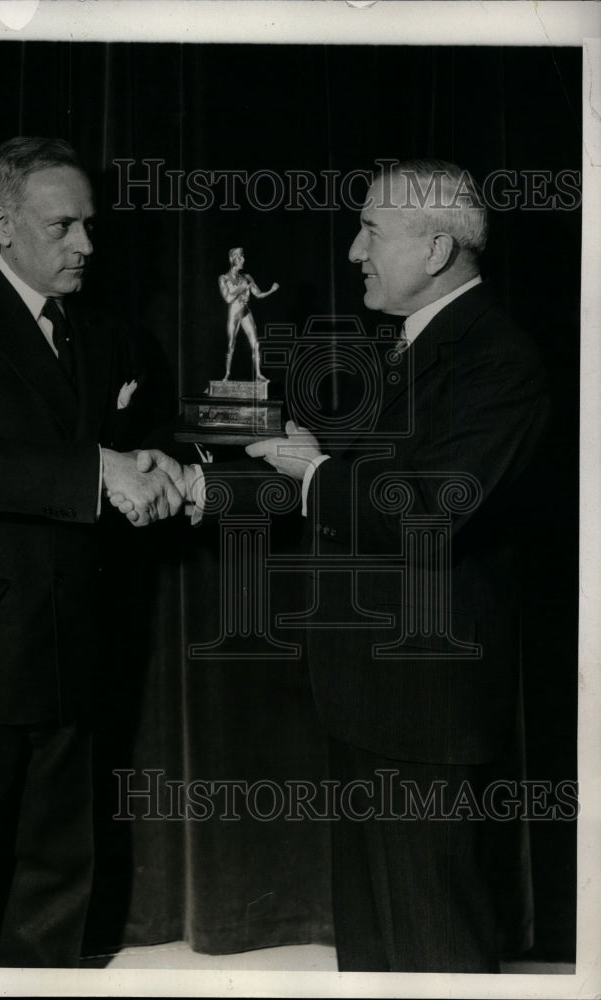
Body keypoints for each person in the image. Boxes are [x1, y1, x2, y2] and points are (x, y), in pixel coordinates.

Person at [120, 159, 551, 972]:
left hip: (426, 713)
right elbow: (332, 483)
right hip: (374, 701)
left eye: (370, 232)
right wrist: (199, 488)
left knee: (432, 950)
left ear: (433, 249)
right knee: (381, 952)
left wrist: (313, 471)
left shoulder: (497, 359)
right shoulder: (420, 347)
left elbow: (423, 507)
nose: (353, 251)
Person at [0, 136, 183, 968]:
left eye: (89, 225)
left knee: (61, 878)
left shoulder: (106, 331)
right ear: (1, 225)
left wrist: (156, 458)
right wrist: (100, 470)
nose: (86, 245)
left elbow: (139, 433)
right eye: (63, 227)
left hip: (77, 643)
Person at [218, 247, 279, 382]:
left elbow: (258, 294)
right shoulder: (223, 278)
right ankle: (227, 374)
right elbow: (228, 299)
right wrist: (242, 287)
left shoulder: (247, 277)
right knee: (230, 345)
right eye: (239, 256)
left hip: (245, 312)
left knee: (255, 343)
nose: (242, 259)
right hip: (233, 313)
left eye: (242, 256)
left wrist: (271, 290)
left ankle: (258, 374)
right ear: (231, 259)